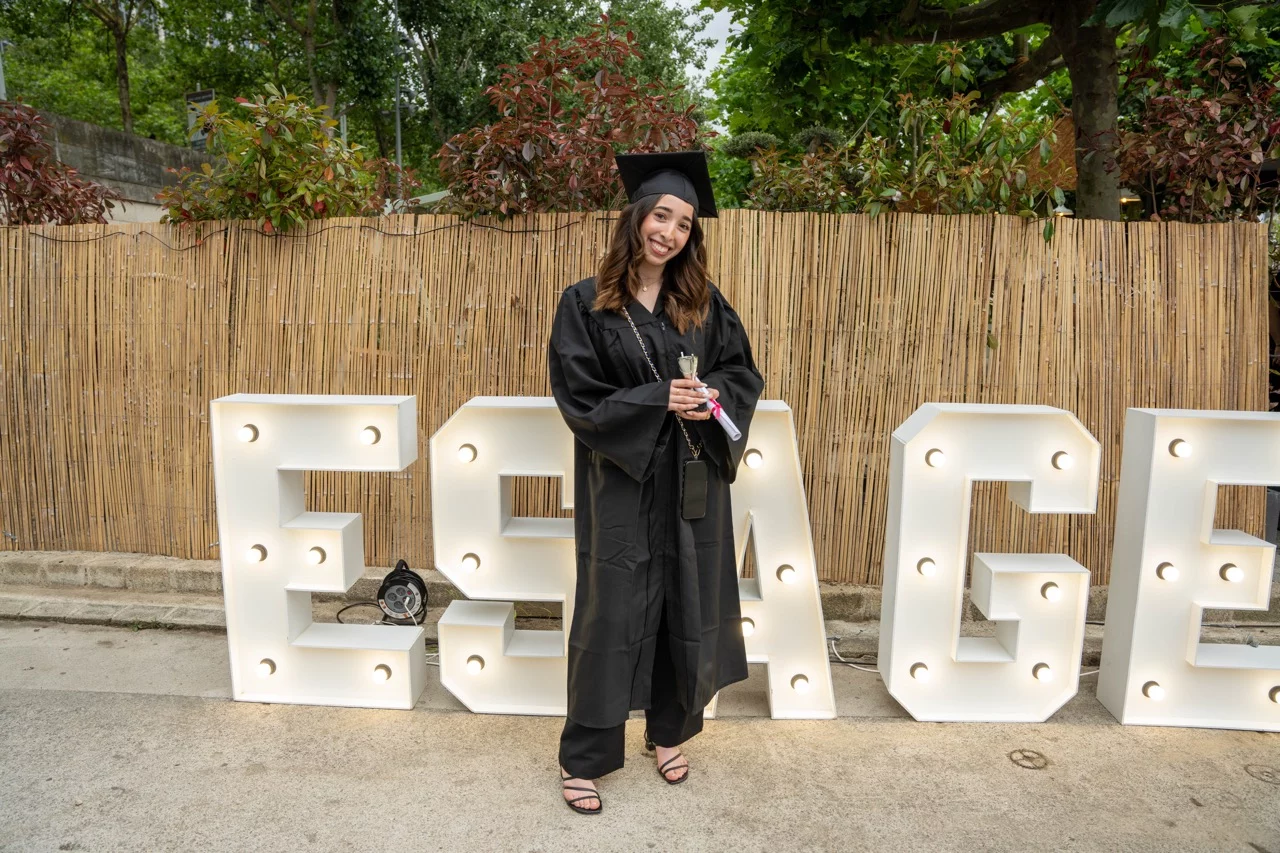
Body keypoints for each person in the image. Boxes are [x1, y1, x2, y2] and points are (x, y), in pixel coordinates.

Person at [547, 150, 764, 815]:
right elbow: (579, 396)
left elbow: (741, 373)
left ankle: (668, 733)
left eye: (683, 223)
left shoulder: (702, 301)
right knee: (609, 611)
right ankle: (585, 756)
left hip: (690, 477)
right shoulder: (584, 302)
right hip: (621, 478)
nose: (668, 232)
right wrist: (655, 399)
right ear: (637, 217)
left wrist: (711, 397)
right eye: (661, 216)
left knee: (685, 603)